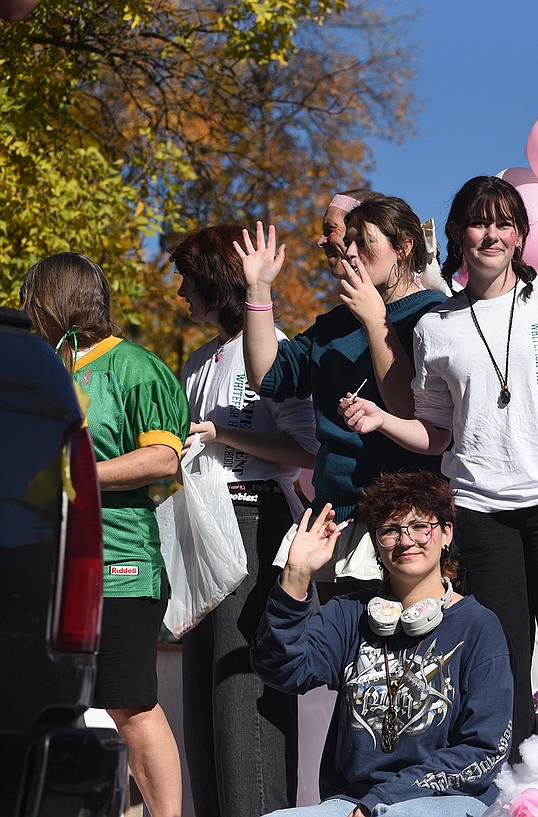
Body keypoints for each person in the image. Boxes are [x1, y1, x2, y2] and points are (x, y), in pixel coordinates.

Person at [339, 176, 538, 755]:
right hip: (480, 514)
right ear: (457, 235)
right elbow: (436, 430)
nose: (491, 234)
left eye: (503, 223)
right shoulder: (434, 327)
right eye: (478, 222)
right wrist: (381, 419)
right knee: (498, 673)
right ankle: (508, 794)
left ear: (519, 235)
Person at [22, 252, 189, 817]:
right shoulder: (44, 370)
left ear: (56, 299)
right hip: (47, 567)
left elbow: (164, 458)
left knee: (131, 704)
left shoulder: (135, 366)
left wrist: (71, 473)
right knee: (57, 703)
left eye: (34, 297)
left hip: (119, 560)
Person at [252, 470, 512, 817]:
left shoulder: (480, 626)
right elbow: (280, 669)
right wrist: (296, 575)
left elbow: (485, 748)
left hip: (439, 801)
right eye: (390, 530)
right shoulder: (349, 614)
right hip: (351, 801)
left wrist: (382, 802)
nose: (406, 541)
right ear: (376, 542)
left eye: (420, 526)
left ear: (446, 532)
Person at [170, 225, 320, 817]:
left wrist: (220, 432)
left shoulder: (271, 344)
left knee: (245, 693)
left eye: (187, 278)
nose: (181, 292)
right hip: (202, 525)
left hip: (257, 520)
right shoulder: (200, 359)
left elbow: (305, 449)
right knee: (204, 692)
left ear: (214, 280)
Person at [236, 193, 446, 591]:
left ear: (403, 247)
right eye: (347, 240)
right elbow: (266, 377)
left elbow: (410, 410)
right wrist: (259, 289)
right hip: (335, 517)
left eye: (362, 241)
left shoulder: (434, 314)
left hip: (405, 521)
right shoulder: (333, 324)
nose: (348, 252)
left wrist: (376, 320)